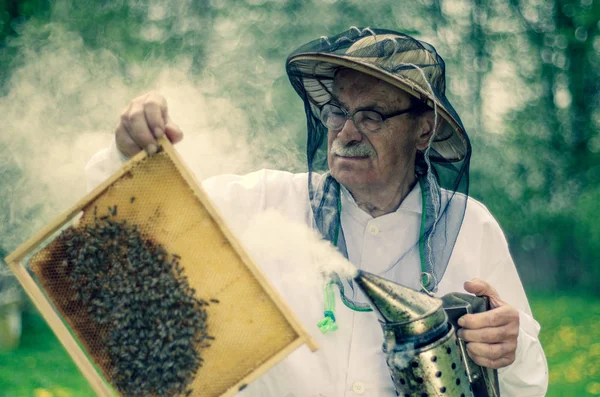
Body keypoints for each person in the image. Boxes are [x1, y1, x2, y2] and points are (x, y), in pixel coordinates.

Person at [86, 28, 548, 396]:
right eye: (336, 111)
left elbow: (528, 384)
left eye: (371, 116)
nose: (346, 132)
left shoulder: (470, 225)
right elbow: (132, 221)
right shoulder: (266, 200)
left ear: (422, 131)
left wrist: (511, 347)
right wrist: (127, 150)